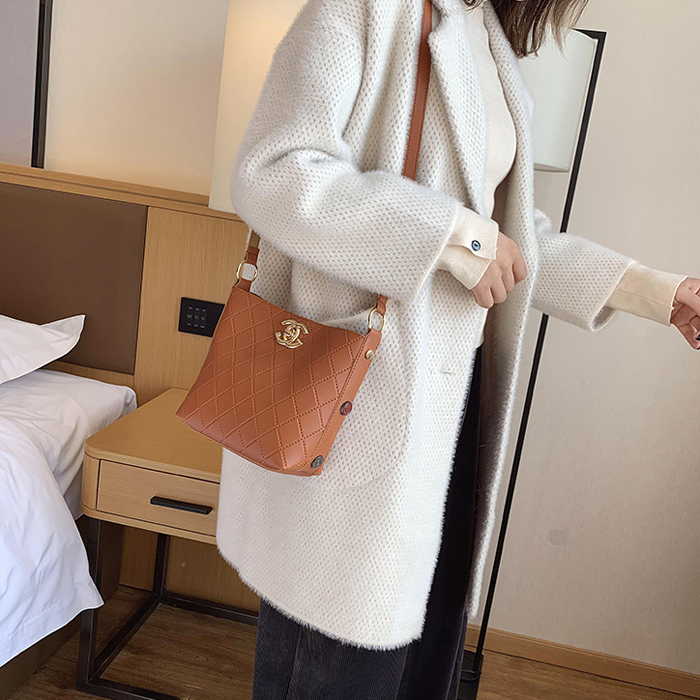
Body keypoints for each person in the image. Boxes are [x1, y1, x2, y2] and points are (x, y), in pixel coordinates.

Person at [215, 0, 700, 697]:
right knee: (337, 675)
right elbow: (273, 172)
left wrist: (655, 291)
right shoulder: (365, 9)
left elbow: (511, 241)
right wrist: (453, 238)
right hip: (361, 416)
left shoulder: (486, 35)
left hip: (447, 428)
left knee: (416, 672)